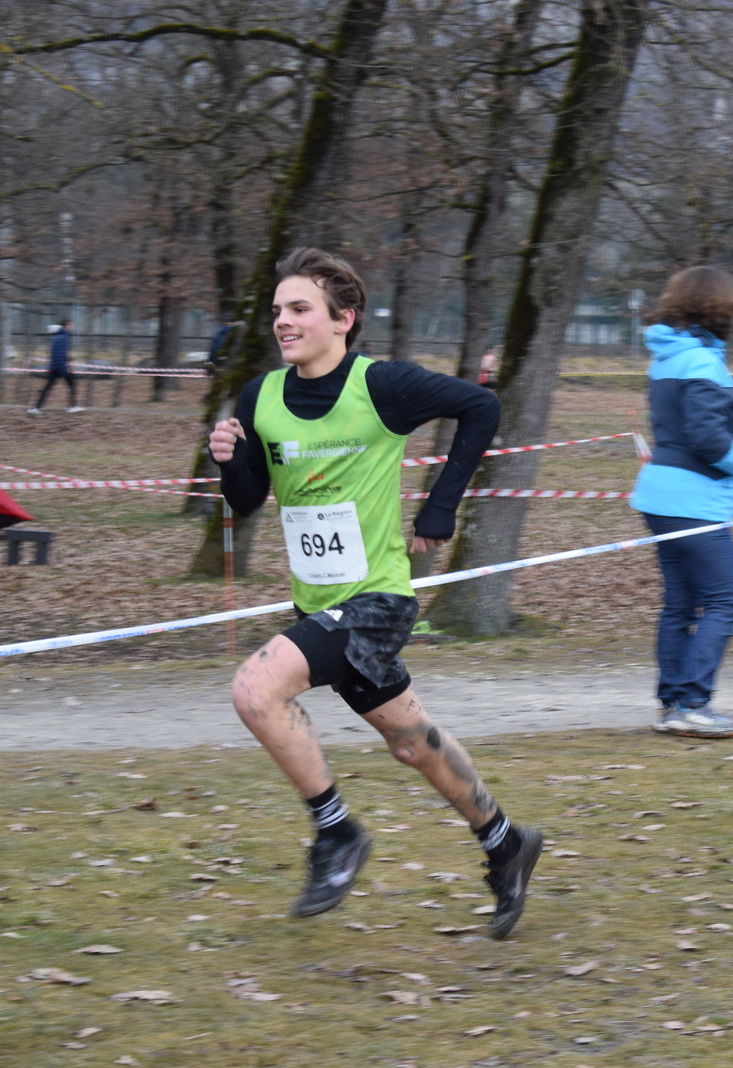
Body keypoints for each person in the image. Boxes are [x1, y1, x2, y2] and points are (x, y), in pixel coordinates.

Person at [207, 247, 542, 934]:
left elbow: (481, 405)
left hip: (376, 601)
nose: (283, 321)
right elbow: (246, 500)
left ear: (343, 319)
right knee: (411, 741)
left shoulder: (381, 385)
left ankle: (337, 834)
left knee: (255, 689)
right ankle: (506, 842)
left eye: (300, 309)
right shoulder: (260, 396)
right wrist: (230, 461)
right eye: (277, 310)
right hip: (318, 604)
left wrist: (440, 508)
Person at [629, 266, 733, 739]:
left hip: (660, 495)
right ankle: (695, 703)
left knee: (680, 605)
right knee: (726, 601)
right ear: (721, 308)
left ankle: (673, 704)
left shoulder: (668, 356)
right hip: (692, 501)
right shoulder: (701, 361)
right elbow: (706, 437)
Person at [29, 319, 80, 414]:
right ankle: (72, 407)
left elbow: (56, 352)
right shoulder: (64, 337)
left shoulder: (56, 336)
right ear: (66, 325)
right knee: (72, 385)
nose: (72, 326)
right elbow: (60, 353)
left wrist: (66, 359)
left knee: (48, 387)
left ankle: (36, 407)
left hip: (54, 366)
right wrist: (64, 368)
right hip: (61, 367)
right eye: (71, 325)